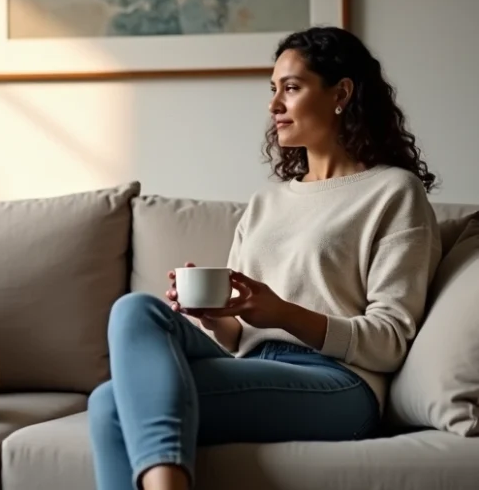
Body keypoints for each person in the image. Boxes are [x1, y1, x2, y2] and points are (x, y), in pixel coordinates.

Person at [88, 26, 442, 490]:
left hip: (338, 384)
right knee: (133, 311)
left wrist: (283, 313)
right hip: (253, 365)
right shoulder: (267, 203)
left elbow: (391, 339)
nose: (274, 105)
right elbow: (238, 339)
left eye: (291, 88)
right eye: (273, 90)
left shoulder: (393, 192)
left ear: (341, 93)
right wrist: (214, 316)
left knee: (111, 403)